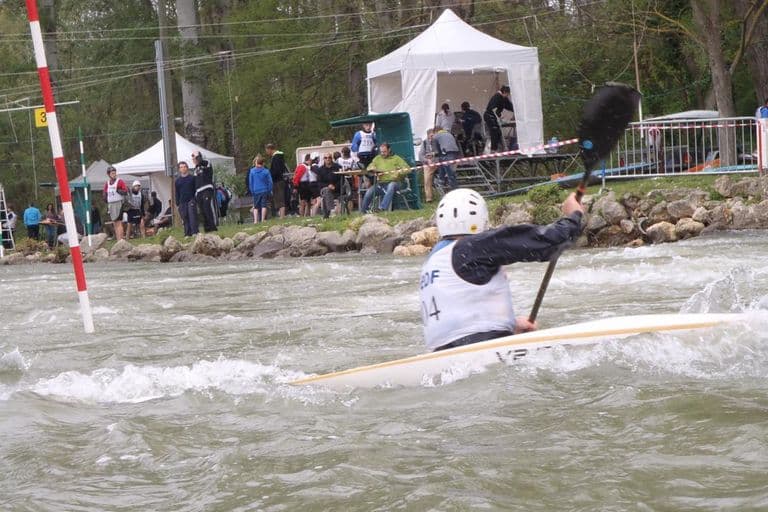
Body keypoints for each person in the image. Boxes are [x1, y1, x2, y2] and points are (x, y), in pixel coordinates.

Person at [419, 188, 584, 352]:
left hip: (441, 353)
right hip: (481, 345)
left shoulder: (433, 261)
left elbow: (457, 311)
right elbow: (549, 242)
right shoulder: (474, 246)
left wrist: (511, 325)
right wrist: (573, 216)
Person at [360, 142, 411, 213]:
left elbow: (408, 169)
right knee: (369, 192)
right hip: (381, 184)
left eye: (384, 152)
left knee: (391, 185)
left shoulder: (397, 159)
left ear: (389, 150)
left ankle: (382, 208)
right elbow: (369, 167)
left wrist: (399, 172)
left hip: (395, 183)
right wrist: (372, 168)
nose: (382, 153)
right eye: (381, 152)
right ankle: (363, 212)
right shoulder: (377, 158)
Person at [191, 150, 217, 232]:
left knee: (207, 207)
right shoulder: (195, 168)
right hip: (199, 191)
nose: (194, 160)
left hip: (207, 188)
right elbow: (195, 181)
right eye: (193, 159)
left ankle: (213, 227)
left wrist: (197, 156)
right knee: (202, 211)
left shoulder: (206, 163)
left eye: (195, 158)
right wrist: (195, 193)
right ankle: (207, 228)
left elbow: (203, 163)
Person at [484, 85, 514, 151]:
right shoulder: (497, 97)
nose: (508, 95)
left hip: (494, 116)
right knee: (495, 132)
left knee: (498, 133)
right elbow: (493, 109)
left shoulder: (503, 98)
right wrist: (498, 117)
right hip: (490, 116)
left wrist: (516, 110)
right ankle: (493, 150)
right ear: (504, 92)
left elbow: (509, 106)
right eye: (507, 94)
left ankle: (500, 149)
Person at [103, 165, 128, 240]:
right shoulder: (107, 183)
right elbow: (105, 192)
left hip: (118, 203)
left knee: (118, 222)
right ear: (109, 174)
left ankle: (121, 240)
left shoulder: (119, 181)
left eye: (114, 173)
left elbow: (125, 191)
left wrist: (120, 191)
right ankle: (118, 239)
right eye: (112, 173)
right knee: (114, 223)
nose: (114, 175)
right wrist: (105, 197)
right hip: (111, 204)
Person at [431, 125, 460, 190]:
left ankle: (453, 187)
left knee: (449, 170)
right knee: (444, 164)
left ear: (435, 131)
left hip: (446, 152)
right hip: (455, 151)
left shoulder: (436, 136)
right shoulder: (449, 134)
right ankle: (442, 179)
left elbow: (436, 150)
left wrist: (434, 155)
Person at [175, 161, 199, 237]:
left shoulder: (192, 178)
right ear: (179, 169)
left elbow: (196, 189)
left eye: (185, 167)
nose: (183, 168)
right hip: (182, 202)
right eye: (181, 167)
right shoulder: (177, 181)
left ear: (187, 168)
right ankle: (187, 234)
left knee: (192, 216)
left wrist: (195, 200)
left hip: (191, 200)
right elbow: (177, 193)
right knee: (185, 217)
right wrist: (177, 203)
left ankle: (195, 232)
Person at [315, 152, 342, 219]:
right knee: (326, 190)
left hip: (336, 189)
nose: (328, 159)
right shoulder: (320, 169)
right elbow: (319, 183)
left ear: (331, 158)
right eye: (326, 158)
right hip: (324, 189)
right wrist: (328, 185)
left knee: (326, 193)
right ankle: (331, 211)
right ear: (323, 159)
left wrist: (335, 187)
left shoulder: (338, 167)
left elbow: (341, 180)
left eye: (329, 157)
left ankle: (326, 215)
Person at [265, 143, 288, 219]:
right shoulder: (279, 156)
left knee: (280, 198)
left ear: (270, 149)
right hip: (279, 180)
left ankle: (282, 216)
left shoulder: (276, 158)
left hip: (277, 181)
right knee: (278, 198)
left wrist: (271, 175)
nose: (267, 153)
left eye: (267, 150)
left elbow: (276, 170)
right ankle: (281, 215)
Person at [248, 155, 273, 223]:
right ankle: (263, 219)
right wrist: (269, 190)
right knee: (264, 205)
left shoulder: (252, 171)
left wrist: (252, 191)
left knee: (256, 206)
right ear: (263, 163)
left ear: (256, 162)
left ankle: (255, 221)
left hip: (256, 190)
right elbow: (270, 182)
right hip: (264, 190)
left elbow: (250, 182)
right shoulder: (266, 171)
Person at [419, 129, 438, 203]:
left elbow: (440, 152)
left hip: (437, 162)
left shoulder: (437, 142)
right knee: (427, 180)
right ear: (428, 135)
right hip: (428, 164)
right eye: (431, 136)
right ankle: (429, 198)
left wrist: (435, 157)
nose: (432, 137)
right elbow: (421, 156)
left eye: (433, 135)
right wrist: (427, 161)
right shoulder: (424, 143)